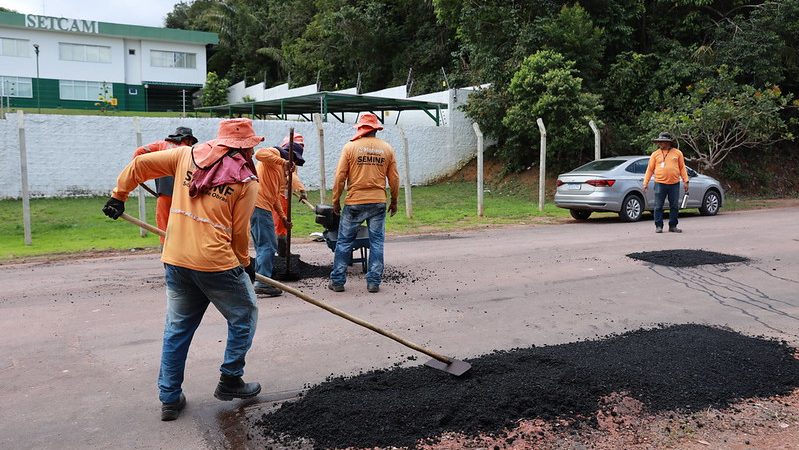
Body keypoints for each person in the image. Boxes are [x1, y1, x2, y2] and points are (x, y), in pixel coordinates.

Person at [102, 118, 263, 421]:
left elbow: (139, 166)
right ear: (244, 147)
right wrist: (245, 264)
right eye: (251, 147)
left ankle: (169, 398)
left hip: (176, 258)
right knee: (245, 315)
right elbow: (239, 234)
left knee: (177, 329)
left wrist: (118, 195)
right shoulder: (246, 181)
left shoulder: (184, 155)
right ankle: (230, 378)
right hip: (215, 264)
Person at [328, 113, 400, 293]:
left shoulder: (350, 147)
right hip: (378, 202)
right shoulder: (387, 149)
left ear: (361, 129)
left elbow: (340, 177)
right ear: (375, 129)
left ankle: (337, 281)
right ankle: (374, 282)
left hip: (355, 203)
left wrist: (335, 201)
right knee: (376, 242)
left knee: (344, 242)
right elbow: (394, 179)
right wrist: (394, 201)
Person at [132, 127, 198, 245]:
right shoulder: (190, 152)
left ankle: (165, 252)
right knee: (186, 229)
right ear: (188, 139)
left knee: (164, 230)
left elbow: (139, 152)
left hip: (164, 196)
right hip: (184, 198)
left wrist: (138, 172)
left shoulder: (161, 145)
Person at [250, 140, 295, 297]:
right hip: (259, 206)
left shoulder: (278, 171)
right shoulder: (273, 156)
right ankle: (262, 283)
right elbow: (258, 154)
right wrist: (284, 161)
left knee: (263, 245)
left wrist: (283, 218)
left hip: (261, 207)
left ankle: (260, 277)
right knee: (269, 245)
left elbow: (275, 196)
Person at [643, 132, 690, 233]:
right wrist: (645, 183)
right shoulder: (655, 154)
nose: (660, 144)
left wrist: (686, 181)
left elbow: (682, 168)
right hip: (659, 183)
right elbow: (650, 169)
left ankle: (673, 225)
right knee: (658, 206)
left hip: (674, 184)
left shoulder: (678, 153)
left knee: (674, 206)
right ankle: (658, 226)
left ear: (668, 142)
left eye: (662, 141)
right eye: (659, 142)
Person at [275, 133, 307, 257]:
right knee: (281, 224)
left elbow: (290, 177)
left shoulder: (289, 158)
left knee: (282, 223)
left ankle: (283, 251)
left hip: (283, 194)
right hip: (278, 195)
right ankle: (282, 253)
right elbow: (291, 175)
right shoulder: (283, 158)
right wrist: (302, 190)